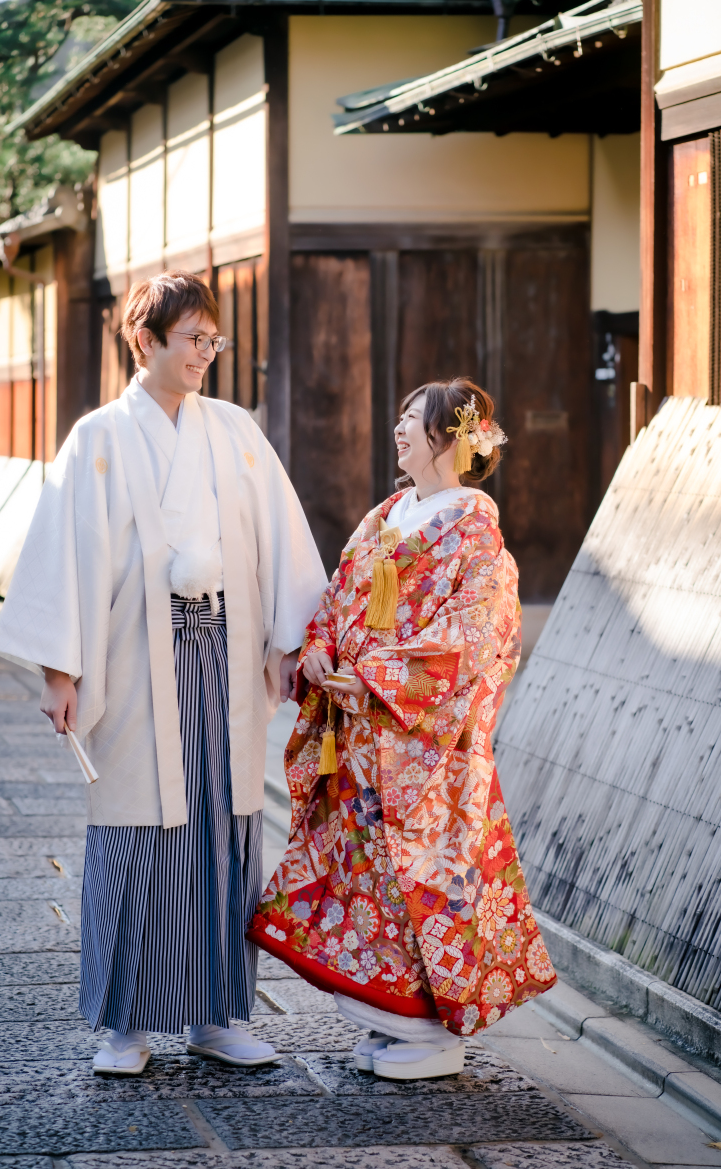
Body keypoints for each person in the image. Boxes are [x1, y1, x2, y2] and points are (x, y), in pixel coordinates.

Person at [0, 271, 327, 1075]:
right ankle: (126, 1026)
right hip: (136, 658)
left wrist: (291, 643)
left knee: (222, 825)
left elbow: (279, 537)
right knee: (137, 829)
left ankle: (217, 1016)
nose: (207, 354)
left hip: (225, 652)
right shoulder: (99, 437)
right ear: (145, 341)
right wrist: (60, 670)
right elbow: (65, 552)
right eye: (193, 339)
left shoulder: (234, 430)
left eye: (214, 340)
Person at [248, 378, 556, 1080]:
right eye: (401, 416)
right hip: (361, 737)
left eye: (413, 419)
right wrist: (321, 646)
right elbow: (339, 595)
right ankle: (386, 1018)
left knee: (422, 879)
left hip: (423, 744)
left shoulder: (475, 532)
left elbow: (477, 633)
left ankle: (431, 1032)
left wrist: (381, 676)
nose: (399, 429)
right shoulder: (387, 516)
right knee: (368, 877)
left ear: (449, 438)